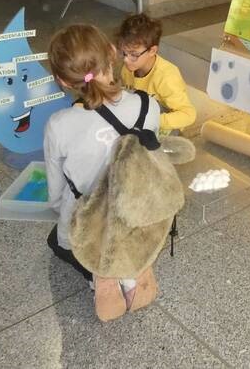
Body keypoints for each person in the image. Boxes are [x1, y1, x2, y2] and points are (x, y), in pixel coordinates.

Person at [44, 24, 161, 318]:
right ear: (113, 53)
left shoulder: (58, 125)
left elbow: (56, 196)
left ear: (62, 80)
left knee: (56, 241)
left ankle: (100, 276)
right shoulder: (149, 106)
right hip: (136, 211)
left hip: (89, 219)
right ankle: (132, 271)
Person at [116, 13, 196, 135]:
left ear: (152, 51)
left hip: (165, 127)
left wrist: (150, 120)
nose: (126, 60)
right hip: (142, 118)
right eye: (123, 53)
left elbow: (188, 115)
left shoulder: (167, 76)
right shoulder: (128, 69)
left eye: (133, 54)